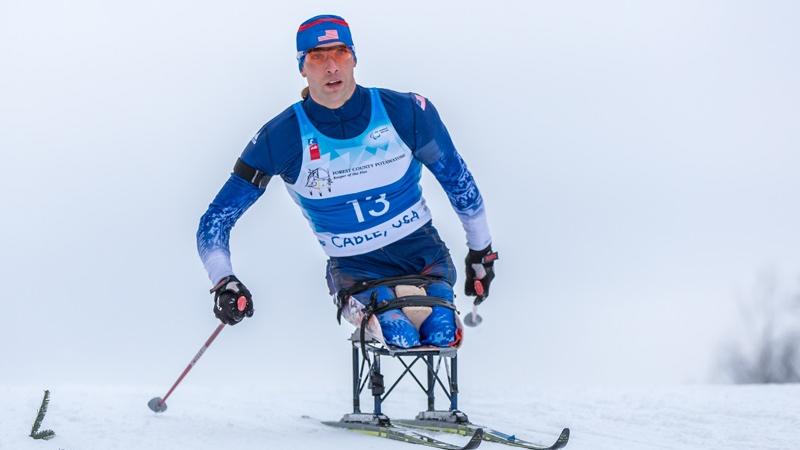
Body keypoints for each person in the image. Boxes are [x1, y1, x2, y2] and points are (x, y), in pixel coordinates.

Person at [196, 14, 497, 348]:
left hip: (423, 256)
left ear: (354, 58)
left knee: (441, 333)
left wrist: (481, 251)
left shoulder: (406, 112)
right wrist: (224, 281)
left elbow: (459, 183)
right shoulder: (280, 138)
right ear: (302, 67)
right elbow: (215, 220)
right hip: (357, 269)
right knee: (400, 335)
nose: (331, 67)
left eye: (340, 53)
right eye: (317, 56)